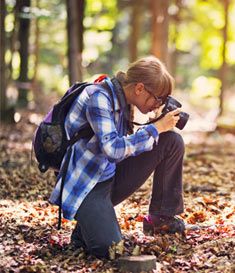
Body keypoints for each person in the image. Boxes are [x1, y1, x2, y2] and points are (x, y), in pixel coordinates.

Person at [49, 56, 186, 258]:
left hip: (108, 175)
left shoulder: (125, 100)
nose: (159, 104)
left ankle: (160, 218)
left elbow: (126, 146)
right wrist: (154, 129)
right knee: (111, 250)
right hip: (86, 184)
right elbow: (112, 149)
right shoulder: (98, 98)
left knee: (171, 141)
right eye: (158, 98)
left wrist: (154, 126)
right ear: (139, 88)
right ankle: (87, 228)